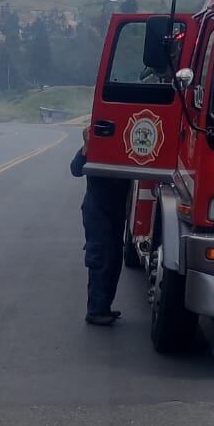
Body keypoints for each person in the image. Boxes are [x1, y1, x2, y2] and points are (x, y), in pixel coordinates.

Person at [71, 139, 131, 326]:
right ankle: (95, 310)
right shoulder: (94, 144)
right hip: (97, 209)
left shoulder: (128, 145)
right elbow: (75, 169)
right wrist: (86, 146)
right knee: (101, 257)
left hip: (117, 210)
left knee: (114, 259)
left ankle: (104, 307)